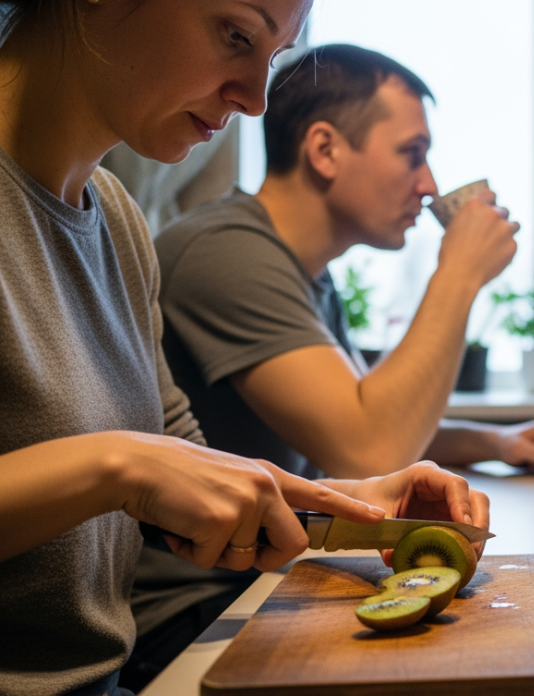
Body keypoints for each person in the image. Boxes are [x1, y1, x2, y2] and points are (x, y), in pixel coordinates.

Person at [0, 3, 488, 695]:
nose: (257, 101)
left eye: (274, 56)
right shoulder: (220, 247)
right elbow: (143, 465)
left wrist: (351, 506)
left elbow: (189, 464)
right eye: (236, 36)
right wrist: (119, 466)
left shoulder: (117, 223)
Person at [153, 43, 534, 482]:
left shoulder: (304, 270)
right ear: (325, 150)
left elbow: (361, 418)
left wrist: (496, 443)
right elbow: (370, 452)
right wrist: (460, 273)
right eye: (412, 153)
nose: (429, 185)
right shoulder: (226, 253)